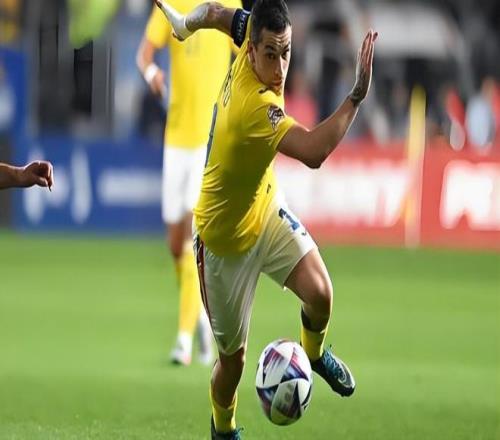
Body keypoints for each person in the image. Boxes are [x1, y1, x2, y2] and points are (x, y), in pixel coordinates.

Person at [156, 0, 376, 438]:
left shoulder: (249, 32)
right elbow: (313, 151)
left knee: (321, 294)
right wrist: (355, 97)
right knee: (232, 363)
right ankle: (223, 428)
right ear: (252, 50)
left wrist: (184, 26)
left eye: (286, 53)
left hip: (265, 211)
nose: (279, 68)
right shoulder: (254, 109)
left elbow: (215, 12)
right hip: (222, 244)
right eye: (271, 55)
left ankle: (313, 355)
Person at [136, 0, 241, 367]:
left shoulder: (227, 4)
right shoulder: (169, 4)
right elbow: (144, 54)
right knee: (175, 247)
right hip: (175, 138)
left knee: (191, 239)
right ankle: (200, 320)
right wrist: (152, 73)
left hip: (209, 139)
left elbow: (248, 49)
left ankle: (182, 340)